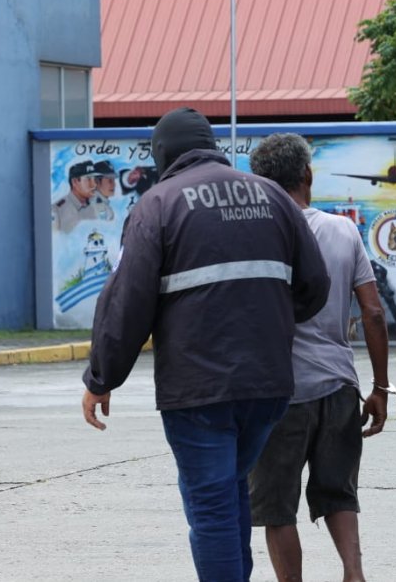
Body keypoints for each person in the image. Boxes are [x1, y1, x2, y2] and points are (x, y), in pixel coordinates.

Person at [80, 107, 331, 582]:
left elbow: (127, 302)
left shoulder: (158, 204)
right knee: (231, 488)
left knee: (211, 505)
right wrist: (269, 325)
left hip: (199, 390)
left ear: (163, 154)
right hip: (268, 387)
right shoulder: (273, 196)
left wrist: (101, 377)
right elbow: (315, 286)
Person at [246, 133, 391, 582]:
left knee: (276, 505)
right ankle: (354, 572)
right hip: (338, 388)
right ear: (308, 175)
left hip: (277, 394)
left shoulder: (255, 236)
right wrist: (380, 387)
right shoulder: (343, 230)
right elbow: (372, 310)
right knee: (339, 493)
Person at [52, 160, 99, 233]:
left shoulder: (93, 207)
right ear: (75, 182)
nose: (94, 185)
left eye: (94, 179)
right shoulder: (57, 210)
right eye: (89, 179)